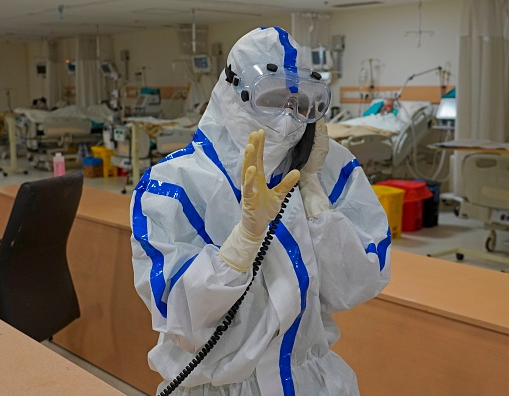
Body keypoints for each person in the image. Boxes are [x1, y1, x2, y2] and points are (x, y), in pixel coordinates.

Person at [130, 26, 391, 396]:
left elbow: (357, 284)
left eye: (301, 105)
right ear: (234, 94)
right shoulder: (176, 182)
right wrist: (245, 241)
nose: (288, 120)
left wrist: (313, 195)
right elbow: (181, 319)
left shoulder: (328, 168)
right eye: (271, 99)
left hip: (311, 382)